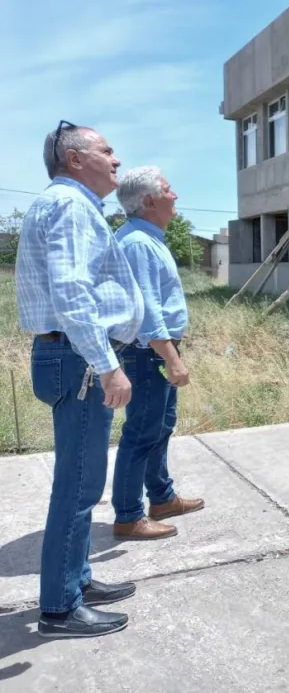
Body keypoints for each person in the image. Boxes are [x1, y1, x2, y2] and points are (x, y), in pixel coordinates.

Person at [15, 122, 144, 638]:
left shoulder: (69, 205)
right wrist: (106, 363)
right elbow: (72, 295)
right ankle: (61, 608)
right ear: (74, 159)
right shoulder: (70, 207)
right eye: (106, 151)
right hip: (79, 358)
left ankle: (77, 579)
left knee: (83, 478)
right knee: (79, 483)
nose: (116, 159)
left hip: (69, 355)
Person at [111, 167, 203, 541]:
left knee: (159, 427)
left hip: (153, 352)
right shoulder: (136, 243)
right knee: (142, 432)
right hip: (147, 353)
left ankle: (162, 498)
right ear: (149, 201)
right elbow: (147, 309)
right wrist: (171, 357)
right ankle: (129, 515)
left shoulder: (149, 239)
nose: (175, 195)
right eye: (168, 189)